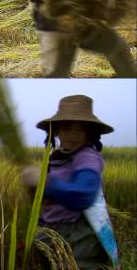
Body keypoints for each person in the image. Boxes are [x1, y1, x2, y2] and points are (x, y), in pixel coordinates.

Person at [19, 95, 118, 269]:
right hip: (52, 231)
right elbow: (48, 202)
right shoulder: (56, 156)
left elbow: (84, 194)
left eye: (80, 130)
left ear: (90, 132)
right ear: (57, 130)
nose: (74, 135)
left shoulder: (87, 156)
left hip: (78, 237)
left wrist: (46, 183)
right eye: (67, 128)